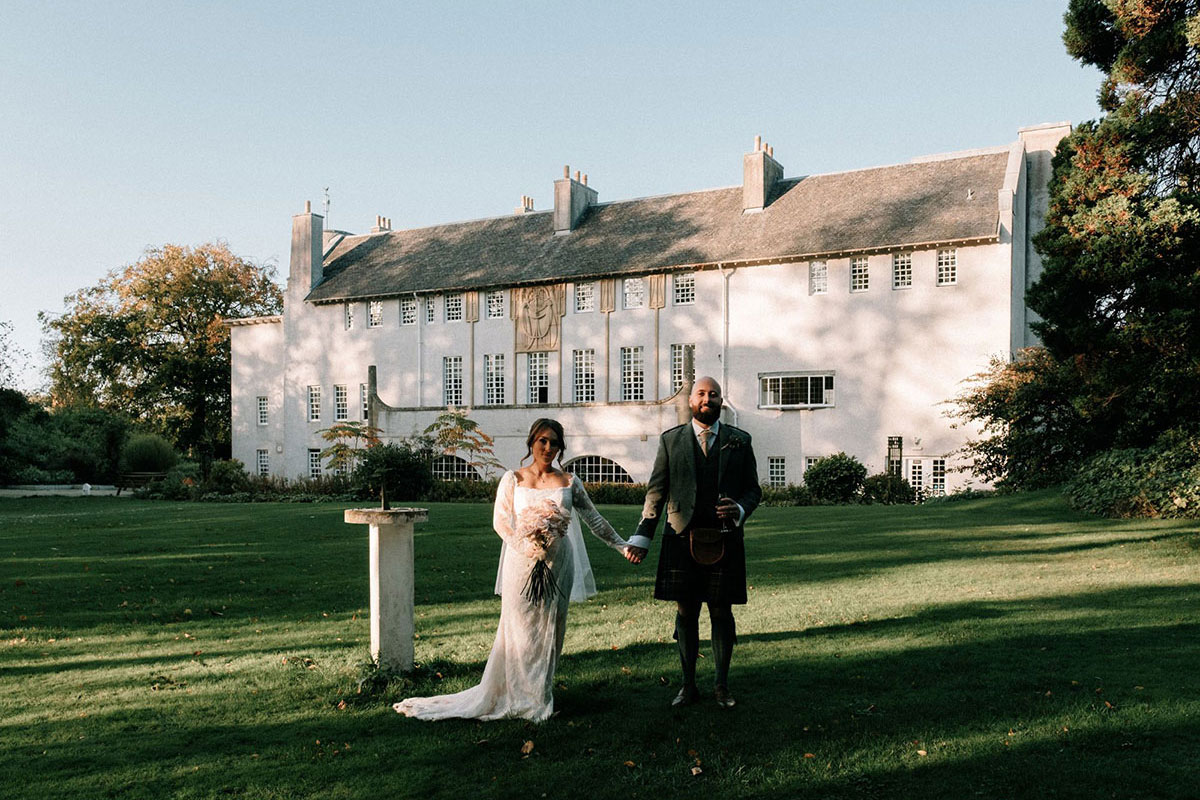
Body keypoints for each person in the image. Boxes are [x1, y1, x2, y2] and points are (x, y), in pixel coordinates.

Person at [394, 418, 633, 722]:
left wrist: (622, 546)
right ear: (532, 442)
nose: (548, 447)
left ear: (561, 447)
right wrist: (526, 546)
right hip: (520, 563)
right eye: (543, 440)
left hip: (559, 564)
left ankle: (539, 698)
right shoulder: (513, 479)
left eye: (554, 442)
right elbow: (501, 522)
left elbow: (594, 519)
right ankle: (515, 694)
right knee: (520, 630)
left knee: (550, 630)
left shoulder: (569, 482)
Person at [625, 376, 761, 708]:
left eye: (713, 394)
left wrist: (740, 508)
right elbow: (656, 491)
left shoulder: (740, 440)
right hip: (680, 537)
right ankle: (688, 686)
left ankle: (721, 686)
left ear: (720, 401)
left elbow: (753, 490)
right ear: (691, 400)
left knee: (721, 610)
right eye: (701, 393)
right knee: (686, 610)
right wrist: (643, 535)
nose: (707, 399)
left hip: (725, 537)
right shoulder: (671, 440)